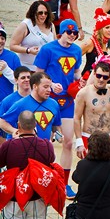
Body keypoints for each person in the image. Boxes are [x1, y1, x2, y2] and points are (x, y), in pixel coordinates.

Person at [1, 111, 55, 219]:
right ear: (35, 125)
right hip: (37, 197)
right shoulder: (46, 145)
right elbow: (50, 162)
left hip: (14, 198)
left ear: (18, 125)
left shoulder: (9, 146)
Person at [33, 18, 81, 199]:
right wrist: (51, 85)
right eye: (69, 32)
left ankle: (63, 183)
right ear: (61, 32)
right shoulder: (48, 49)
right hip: (47, 100)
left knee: (68, 142)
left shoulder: (76, 50)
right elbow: (37, 73)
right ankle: (42, 180)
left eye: (75, 33)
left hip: (67, 101)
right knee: (45, 142)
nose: (72, 36)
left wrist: (79, 82)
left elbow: (75, 72)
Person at [74, 61, 110, 159]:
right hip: (89, 137)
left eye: (105, 77)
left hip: (108, 138)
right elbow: (77, 118)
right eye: (98, 75)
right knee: (90, 171)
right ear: (94, 74)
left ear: (109, 78)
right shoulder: (83, 93)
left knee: (109, 170)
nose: (101, 79)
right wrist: (79, 142)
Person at [0, 72, 61, 141]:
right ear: (35, 86)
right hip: (24, 148)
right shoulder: (21, 104)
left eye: (50, 87)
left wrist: (58, 134)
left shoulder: (54, 104)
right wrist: (14, 131)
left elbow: (55, 124)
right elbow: (2, 121)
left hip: (44, 148)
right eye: (45, 87)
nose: (49, 90)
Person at [9, 1, 56, 71]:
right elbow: (12, 46)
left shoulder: (51, 25)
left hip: (45, 69)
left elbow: (55, 45)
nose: (43, 15)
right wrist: (28, 50)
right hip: (27, 69)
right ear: (34, 13)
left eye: (46, 13)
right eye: (40, 13)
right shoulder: (25, 25)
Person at [0, 66, 32, 143]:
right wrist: (15, 131)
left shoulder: (38, 97)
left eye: (28, 77)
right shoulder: (8, 101)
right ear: (16, 80)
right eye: (23, 78)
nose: (27, 80)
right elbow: (1, 121)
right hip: (15, 142)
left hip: (36, 141)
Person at [80, 8, 110, 74]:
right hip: (88, 78)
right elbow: (74, 57)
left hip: (105, 78)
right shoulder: (91, 43)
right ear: (100, 29)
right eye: (107, 27)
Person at [0, 24, 22, 103]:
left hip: (6, 102)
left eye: (2, 38)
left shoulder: (12, 57)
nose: (0, 41)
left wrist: (6, 69)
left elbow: (19, 81)